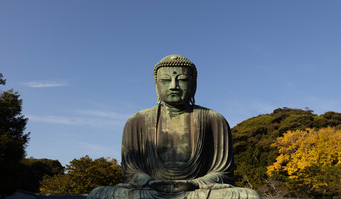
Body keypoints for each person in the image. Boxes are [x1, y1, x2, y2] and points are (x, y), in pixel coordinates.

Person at [88, 55, 261, 199]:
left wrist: (195, 183)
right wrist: (149, 181)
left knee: (248, 196)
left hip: (196, 192)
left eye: (182, 80)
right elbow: (130, 172)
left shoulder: (213, 119)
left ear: (193, 85)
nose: (173, 86)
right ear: (156, 85)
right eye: (165, 80)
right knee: (98, 194)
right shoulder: (137, 121)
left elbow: (223, 173)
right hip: (151, 191)